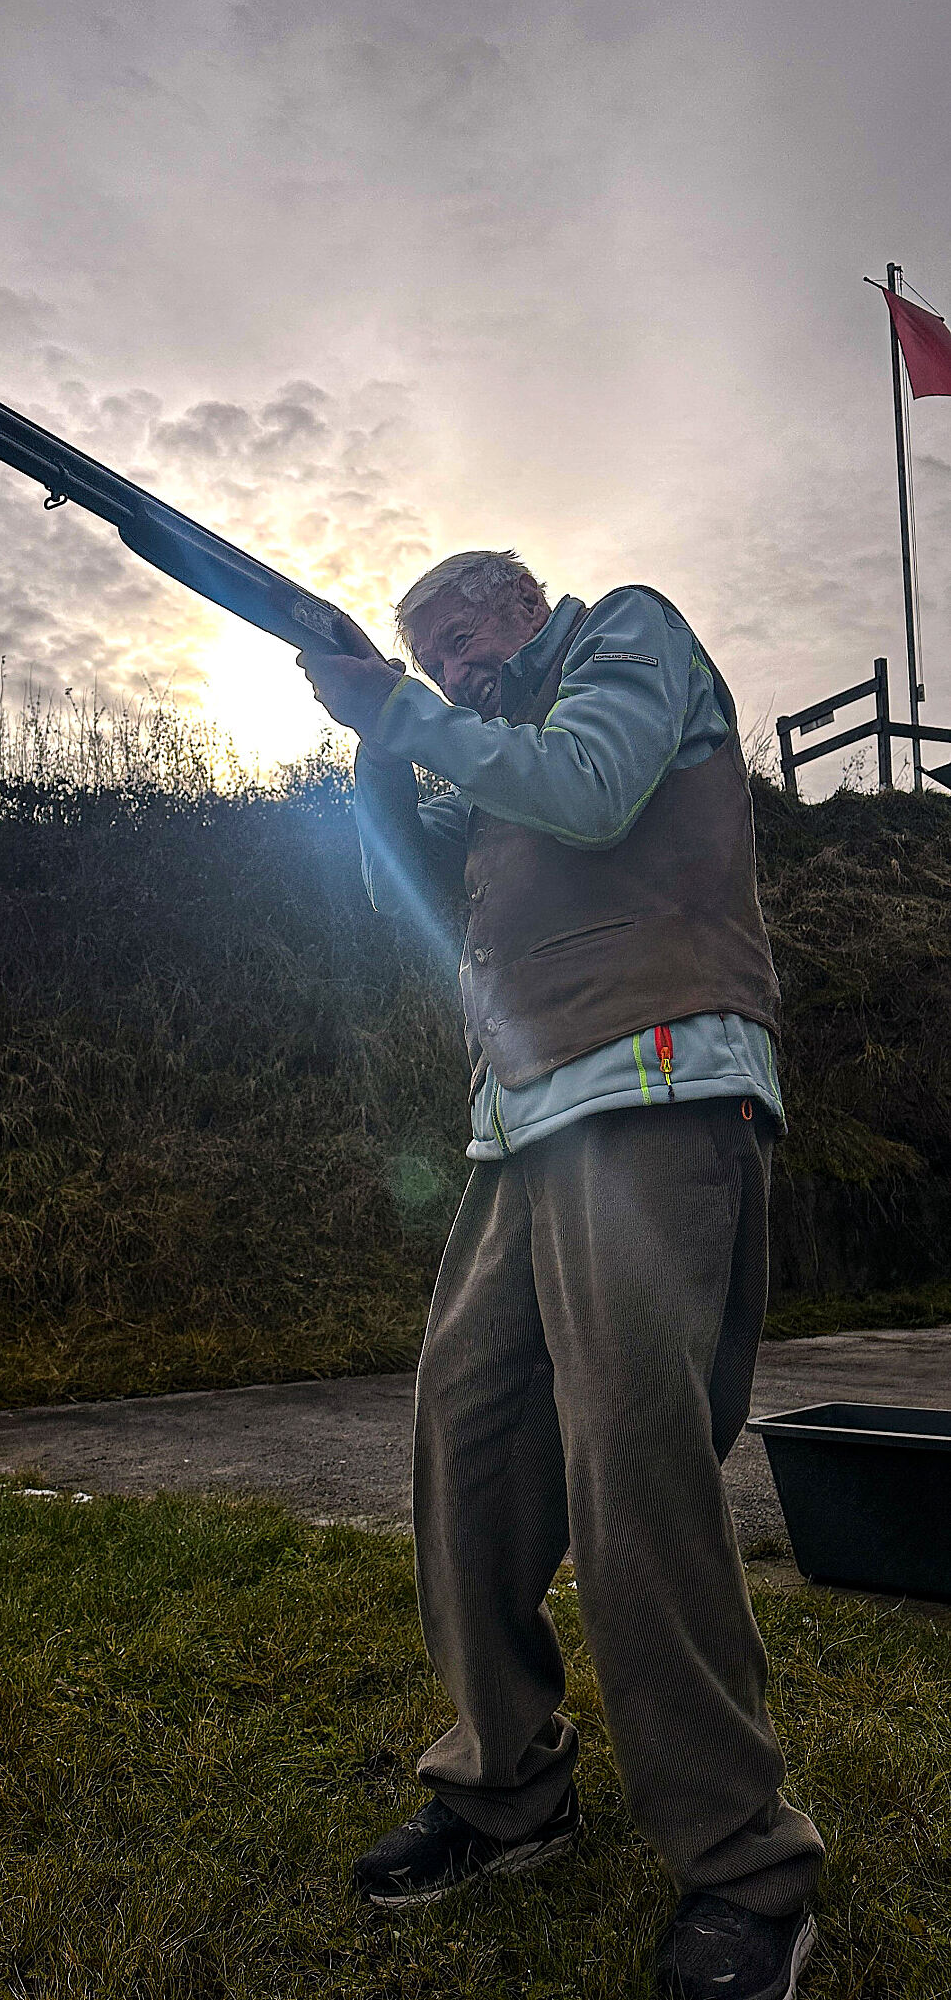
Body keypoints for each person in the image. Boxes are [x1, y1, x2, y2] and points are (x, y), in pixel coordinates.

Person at [297, 550, 823, 2000]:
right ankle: (504, 1788)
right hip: (514, 1126)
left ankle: (745, 1866)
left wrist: (410, 709)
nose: (457, 669)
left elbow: (590, 788)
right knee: (463, 1447)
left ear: (526, 603)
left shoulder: (625, 639)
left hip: (654, 1086)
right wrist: (372, 744)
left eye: (464, 639)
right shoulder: (482, 752)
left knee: (629, 1468)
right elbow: (406, 896)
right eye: (435, 656)